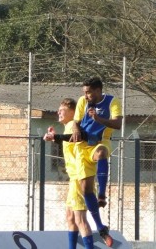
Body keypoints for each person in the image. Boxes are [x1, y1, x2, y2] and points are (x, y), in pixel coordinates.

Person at [70, 77, 121, 247]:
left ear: (98, 91)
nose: (86, 95)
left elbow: (118, 124)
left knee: (101, 152)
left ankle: (101, 194)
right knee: (85, 189)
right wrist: (76, 128)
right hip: (82, 147)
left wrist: (98, 119)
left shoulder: (112, 101)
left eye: (89, 92)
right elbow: (76, 122)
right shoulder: (82, 102)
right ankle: (100, 227)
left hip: (100, 141)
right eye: (84, 92)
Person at [44, 99, 94, 249]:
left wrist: (55, 137)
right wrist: (55, 138)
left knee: (80, 219)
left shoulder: (74, 125)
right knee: (70, 216)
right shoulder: (68, 128)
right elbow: (71, 143)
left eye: (62, 109)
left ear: (72, 112)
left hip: (80, 176)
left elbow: (76, 139)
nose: (58, 112)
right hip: (74, 178)